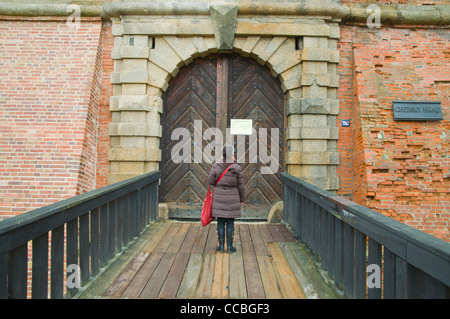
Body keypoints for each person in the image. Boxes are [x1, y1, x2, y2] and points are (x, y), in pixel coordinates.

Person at [207, 145, 245, 253]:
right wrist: (242, 199)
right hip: (232, 197)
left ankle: (221, 247)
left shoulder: (216, 165)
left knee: (220, 222)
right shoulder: (237, 167)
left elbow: (210, 180)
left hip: (219, 196)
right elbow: (241, 185)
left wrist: (218, 184)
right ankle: (229, 247)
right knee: (230, 222)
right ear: (232, 154)